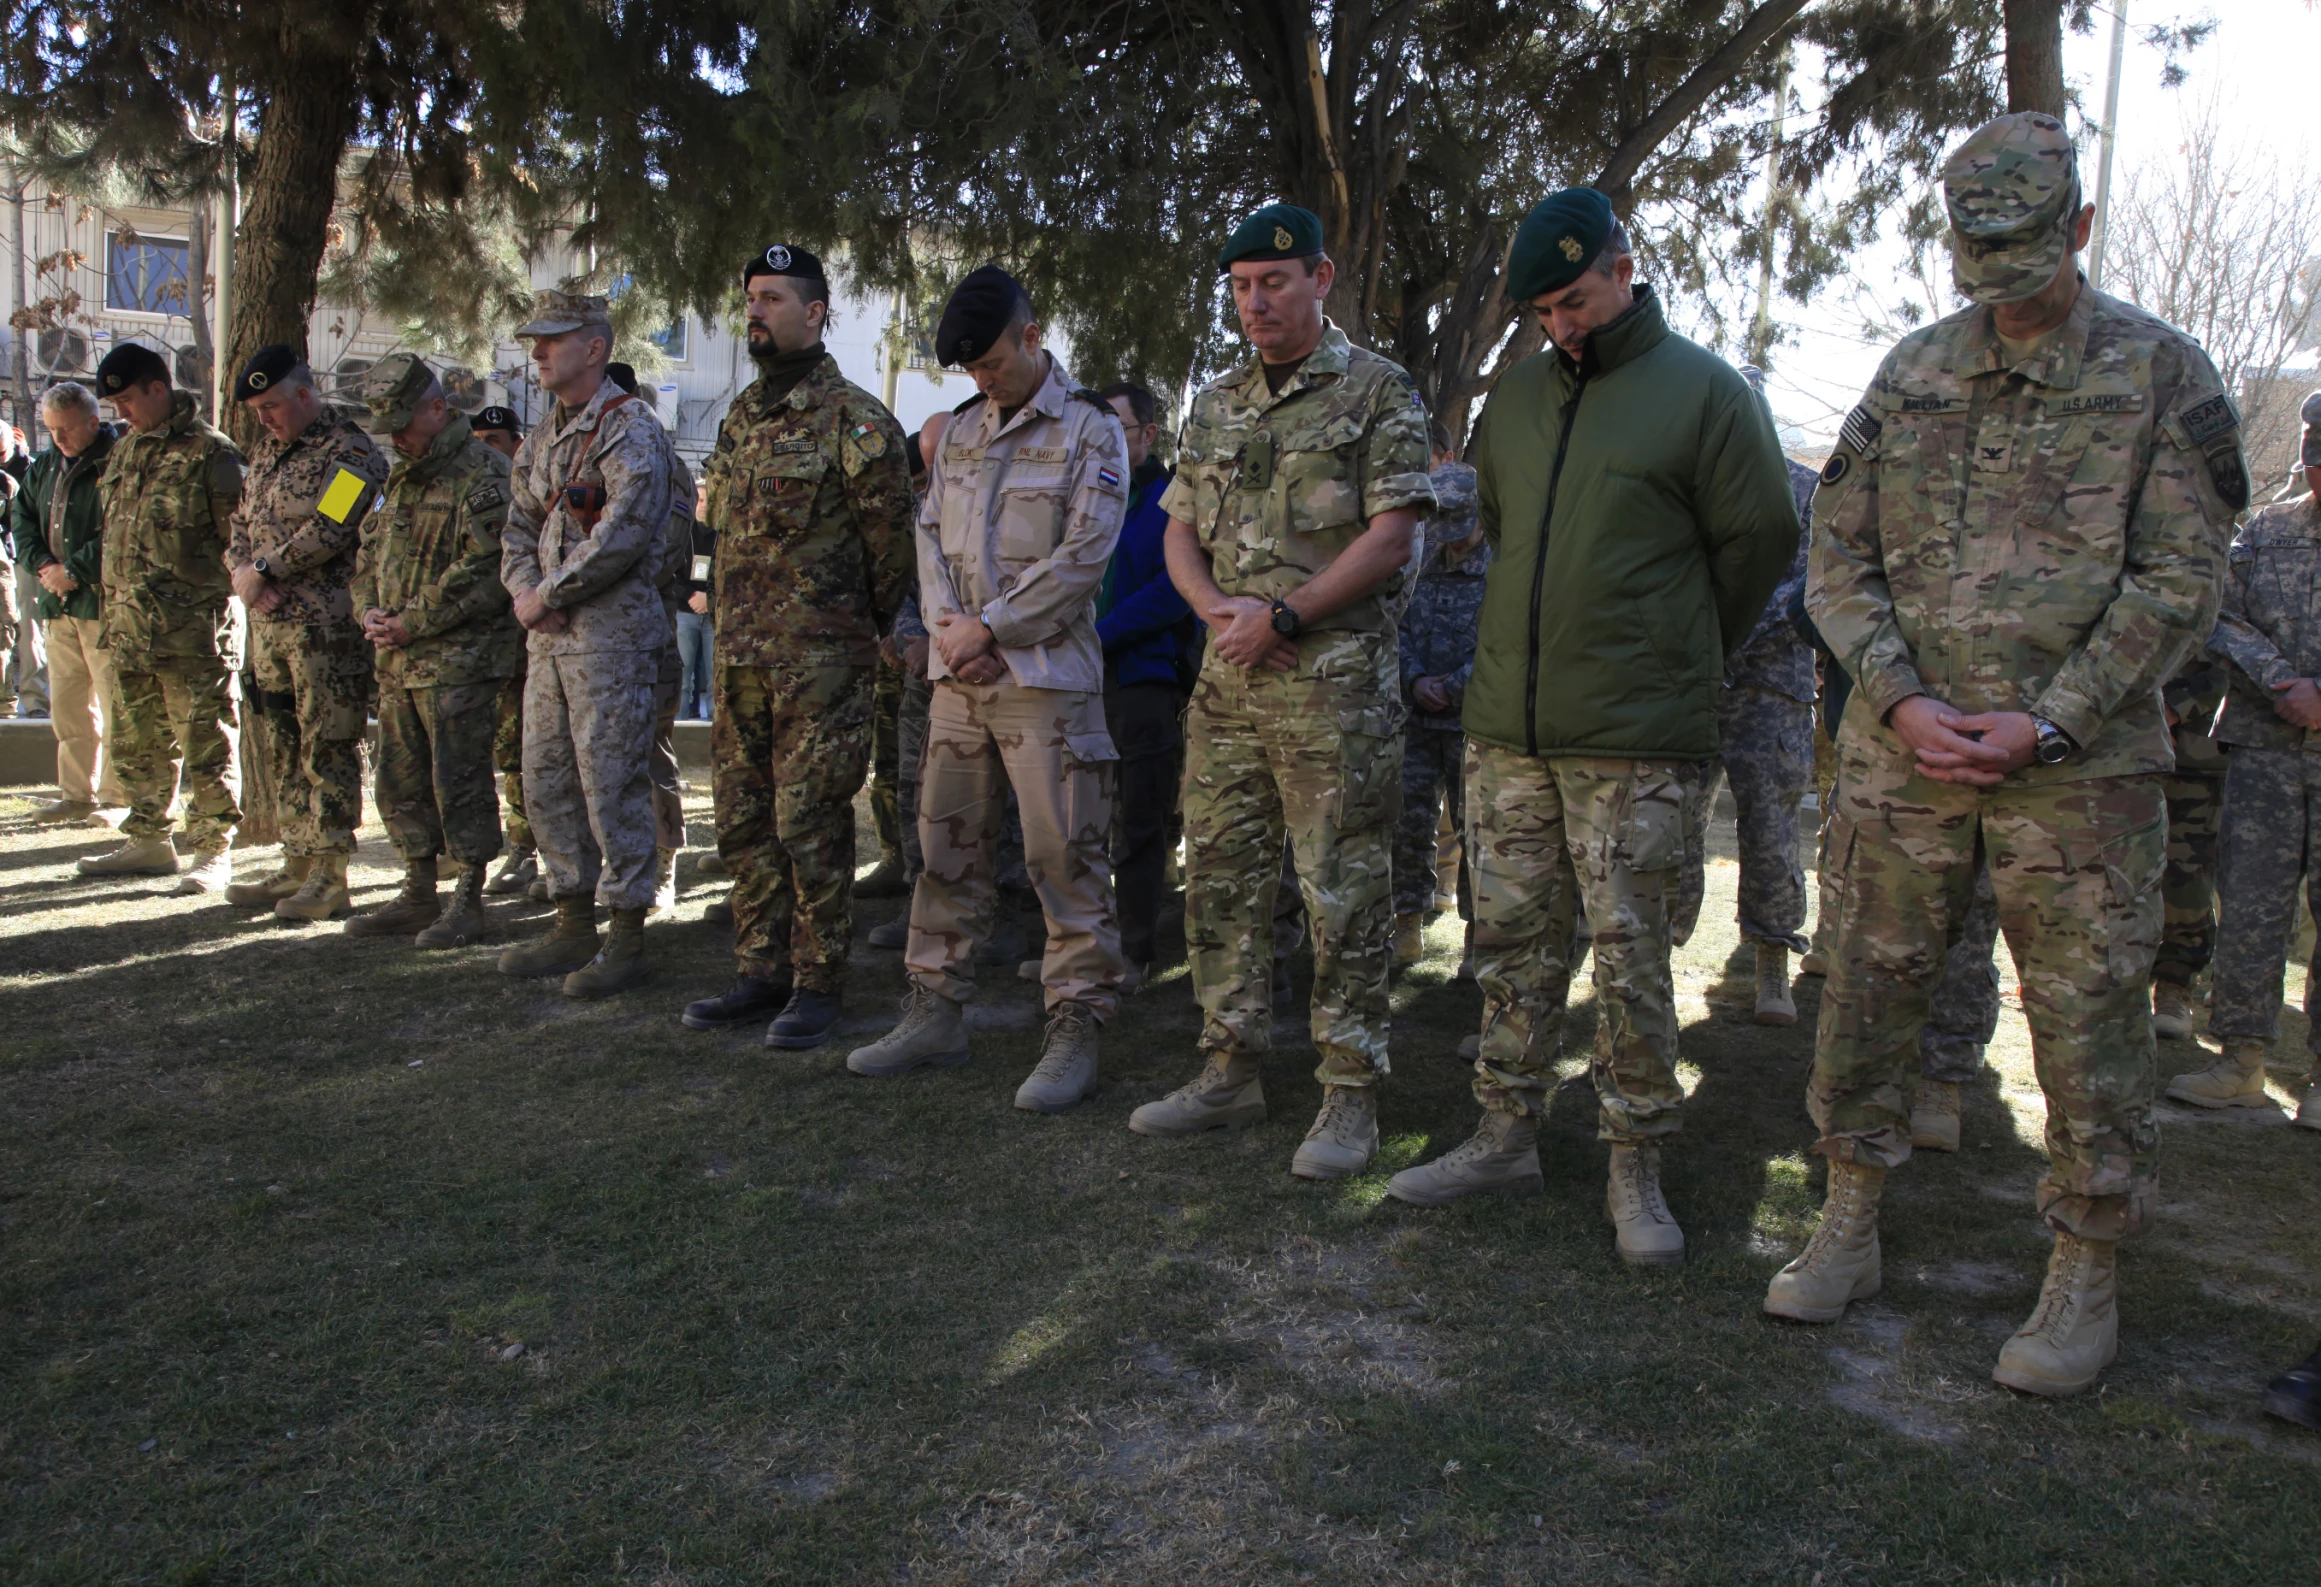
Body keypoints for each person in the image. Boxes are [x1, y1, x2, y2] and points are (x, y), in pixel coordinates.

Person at [1763, 112, 2245, 1400]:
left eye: (2023, 254)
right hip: (1899, 758)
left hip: (2078, 775)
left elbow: (2181, 580)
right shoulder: (1911, 372)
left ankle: (2081, 1272)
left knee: (2085, 1022)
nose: (1998, 285)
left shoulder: (2160, 376)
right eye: (1975, 258)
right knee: (1865, 984)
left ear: (2077, 228)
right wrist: (1901, 697)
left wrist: (2053, 718)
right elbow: (1836, 559)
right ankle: (1848, 1216)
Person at [1384, 189, 1798, 1260]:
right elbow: (1510, 536)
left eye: (1575, 300)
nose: (1564, 326)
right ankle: (1502, 1132)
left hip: (1634, 738)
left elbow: (1755, 542)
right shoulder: (1514, 403)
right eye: (1545, 312)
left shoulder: (1705, 393)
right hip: (1508, 733)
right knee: (1508, 945)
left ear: (1622, 267)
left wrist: (1673, 651)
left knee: (1628, 962)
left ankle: (1634, 1164)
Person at [1128, 204, 1435, 1176]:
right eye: (1240, 287)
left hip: (1328, 683)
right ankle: (1229, 1066)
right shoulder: (1214, 401)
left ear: (1319, 278)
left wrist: (1285, 616)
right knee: (1218, 877)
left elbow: (1391, 537)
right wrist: (1217, 608)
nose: (1253, 302)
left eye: (1272, 282)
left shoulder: (1378, 391)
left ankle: (1349, 1093)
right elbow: (1178, 523)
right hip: (1228, 680)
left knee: (1339, 889)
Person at [846, 264, 1129, 1110]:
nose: (982, 379)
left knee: (1064, 857)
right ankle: (935, 1010)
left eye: (993, 363)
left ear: (1032, 335)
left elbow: (1083, 555)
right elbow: (927, 537)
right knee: (944, 849)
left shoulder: (1089, 431)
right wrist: (949, 632)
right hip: (958, 679)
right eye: (969, 371)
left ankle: (1076, 1022)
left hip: (1046, 682)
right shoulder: (963, 429)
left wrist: (991, 629)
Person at [678, 245, 914, 1048]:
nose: (755, 310)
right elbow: (721, 528)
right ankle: (759, 969)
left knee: (809, 821)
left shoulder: (856, 420)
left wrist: (865, 630)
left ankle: (819, 981)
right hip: (739, 651)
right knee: (743, 820)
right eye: (750, 297)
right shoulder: (742, 416)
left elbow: (891, 547)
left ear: (813, 313)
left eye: (773, 298)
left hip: (819, 662)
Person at [495, 289, 678, 998]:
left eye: (552, 339)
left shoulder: (629, 428)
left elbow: (624, 532)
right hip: (547, 637)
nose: (537, 352)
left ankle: (626, 930)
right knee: (545, 777)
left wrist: (549, 592)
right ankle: (571, 919)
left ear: (594, 348)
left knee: (612, 782)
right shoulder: (544, 435)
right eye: (533, 340)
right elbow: (517, 524)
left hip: (610, 640)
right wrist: (522, 592)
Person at [339, 352, 521, 947]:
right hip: (397, 662)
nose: (392, 435)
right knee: (398, 780)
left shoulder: (484, 472)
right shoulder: (398, 477)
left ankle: (468, 896)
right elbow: (368, 555)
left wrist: (412, 621)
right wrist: (368, 608)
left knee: (460, 780)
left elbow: (489, 568)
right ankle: (418, 890)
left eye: (401, 420)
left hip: (459, 662)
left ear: (438, 410)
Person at [2173, 395, 2321, 1121]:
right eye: (2314, 464)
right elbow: (2219, 616)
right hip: (2264, 750)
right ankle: (2240, 1061)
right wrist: (2279, 680)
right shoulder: (2266, 529)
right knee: (2251, 909)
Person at [220, 344, 390, 920]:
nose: (265, 419)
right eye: (257, 411)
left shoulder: (349, 450)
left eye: (271, 406)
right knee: (281, 742)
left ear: (303, 393)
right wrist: (246, 575)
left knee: (328, 744)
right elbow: (241, 524)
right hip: (270, 625)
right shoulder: (267, 452)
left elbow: (335, 524)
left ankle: (331, 869)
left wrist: (265, 571)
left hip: (324, 629)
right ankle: (296, 857)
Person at [73, 345, 246, 886]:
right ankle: (149, 840)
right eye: (113, 403)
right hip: (128, 629)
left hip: (192, 634)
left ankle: (214, 850)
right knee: (137, 742)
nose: (120, 412)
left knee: (206, 743)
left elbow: (237, 544)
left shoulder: (212, 454)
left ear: (158, 388)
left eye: (126, 399)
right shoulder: (127, 451)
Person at [1090, 378, 1190, 986]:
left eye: (1117, 430)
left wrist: (1099, 635)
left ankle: (1134, 949)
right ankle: (1081, 943)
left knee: (1138, 819)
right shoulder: (1088, 493)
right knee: (1077, 819)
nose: (1104, 443)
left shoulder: (1172, 501)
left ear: (1149, 435)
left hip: (1142, 682)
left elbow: (1175, 589)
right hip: (1075, 680)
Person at [1391, 421, 1486, 970]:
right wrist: (1414, 680)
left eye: (1458, 521)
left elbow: (1506, 643)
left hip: (1473, 721)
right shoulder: (1417, 558)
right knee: (1408, 824)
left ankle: (1478, 938)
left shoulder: (1501, 567)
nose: (1449, 532)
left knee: (1478, 835)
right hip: (1417, 720)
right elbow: (1394, 624)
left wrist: (1451, 687)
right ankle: (1407, 924)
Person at [9, 382, 126, 823]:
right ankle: (77, 793)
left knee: (115, 705)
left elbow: (120, 529)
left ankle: (116, 798)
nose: (58, 438)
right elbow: (22, 516)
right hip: (58, 604)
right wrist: (43, 566)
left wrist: (73, 571)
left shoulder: (116, 461)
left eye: (66, 429)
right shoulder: (45, 465)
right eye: (50, 429)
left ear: (93, 422)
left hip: (102, 603)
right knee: (70, 706)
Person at [604, 360, 695, 916]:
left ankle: (664, 866)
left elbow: (664, 551)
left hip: (646, 633)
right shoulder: (578, 457)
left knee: (651, 754)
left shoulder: (669, 465)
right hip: (586, 636)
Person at [467, 406, 538, 895]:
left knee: (524, 752)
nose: (484, 448)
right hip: (466, 645)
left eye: (494, 439)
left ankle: (526, 848)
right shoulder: (463, 488)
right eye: (477, 438)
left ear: (516, 442)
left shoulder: (533, 489)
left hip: (523, 646)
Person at [2149, 650, 2229, 1041]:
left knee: (2184, 877)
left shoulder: (2228, 587)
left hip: (2193, 754)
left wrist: (2173, 709)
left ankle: (2174, 985)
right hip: (2110, 743)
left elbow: (2234, 664)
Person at [0, 419, 47, 721]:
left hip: (24, 556)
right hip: (4, 554)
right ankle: (6, 698)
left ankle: (36, 701)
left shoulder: (29, 468)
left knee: (30, 627)